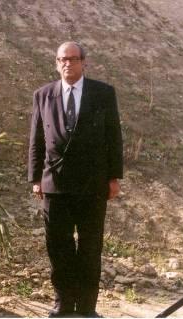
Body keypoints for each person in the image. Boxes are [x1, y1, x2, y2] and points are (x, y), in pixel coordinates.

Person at [28, 42, 123, 318]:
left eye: (72, 59)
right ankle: (63, 303)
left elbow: (113, 138)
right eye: (62, 60)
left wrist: (114, 177)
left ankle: (87, 307)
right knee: (58, 246)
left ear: (84, 62)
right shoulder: (43, 95)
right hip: (55, 184)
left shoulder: (103, 94)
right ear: (56, 63)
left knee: (91, 247)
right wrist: (35, 178)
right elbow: (36, 141)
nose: (67, 64)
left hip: (92, 186)